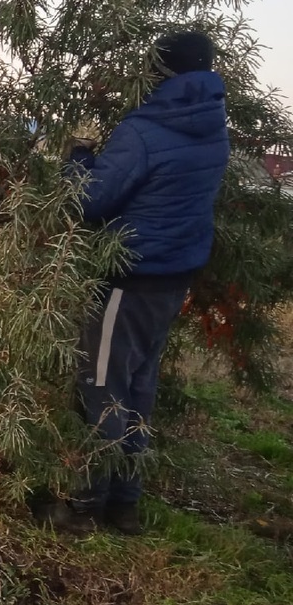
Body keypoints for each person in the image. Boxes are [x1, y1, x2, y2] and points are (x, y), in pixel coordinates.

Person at [41, 31, 231, 535]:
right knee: (138, 385)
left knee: (101, 386)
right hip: (173, 277)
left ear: (157, 73)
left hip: (128, 276)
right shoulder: (213, 125)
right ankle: (124, 504)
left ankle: (82, 509)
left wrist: (78, 154)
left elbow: (88, 203)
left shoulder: (144, 129)